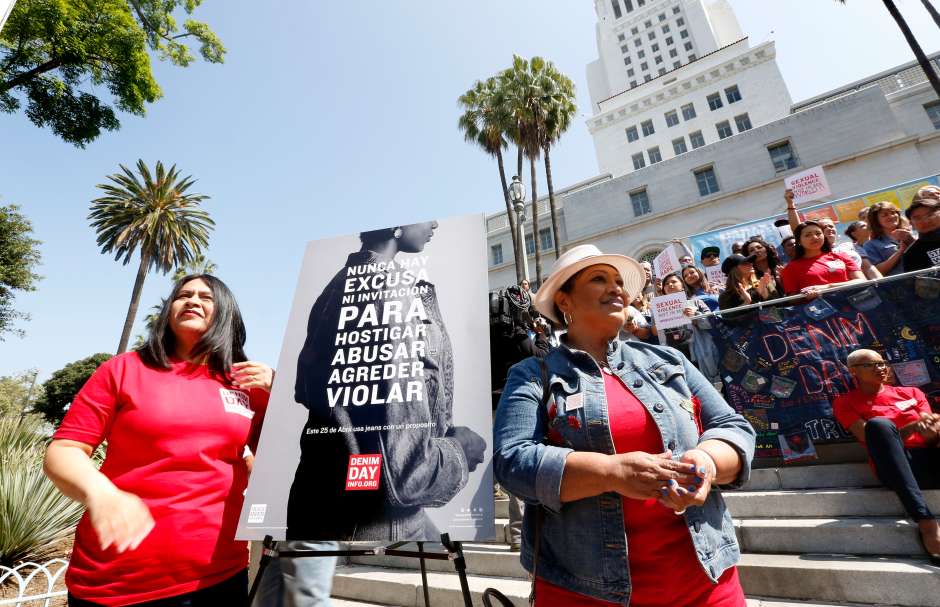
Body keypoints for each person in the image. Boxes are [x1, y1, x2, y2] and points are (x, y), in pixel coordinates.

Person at [494, 244, 755, 607]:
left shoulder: (669, 359)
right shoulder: (532, 374)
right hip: (583, 591)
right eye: (599, 279)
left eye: (619, 280)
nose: (616, 288)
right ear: (564, 301)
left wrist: (706, 463)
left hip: (708, 583)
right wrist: (611, 472)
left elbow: (732, 426)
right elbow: (512, 461)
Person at [44, 275, 272, 607]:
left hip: (217, 577)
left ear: (226, 313)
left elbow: (292, 457)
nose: (192, 300)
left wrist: (280, 388)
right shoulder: (121, 370)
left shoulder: (247, 384)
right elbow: (64, 450)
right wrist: (101, 493)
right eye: (183, 295)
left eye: (206, 297)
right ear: (168, 311)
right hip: (112, 583)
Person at [287, 222, 486, 541]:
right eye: (424, 214)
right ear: (395, 224)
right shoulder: (385, 289)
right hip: (372, 520)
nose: (434, 223)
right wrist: (460, 450)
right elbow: (406, 472)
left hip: (331, 503)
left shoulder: (341, 284)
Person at [833, 349, 940, 564]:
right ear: (853, 371)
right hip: (895, 468)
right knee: (879, 426)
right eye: (870, 365)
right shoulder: (845, 402)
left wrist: (930, 426)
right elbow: (869, 438)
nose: (880, 368)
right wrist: (911, 428)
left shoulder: (912, 393)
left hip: (929, 461)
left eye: (882, 363)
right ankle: (927, 524)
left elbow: (929, 436)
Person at [779, 220, 865, 298]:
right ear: (799, 241)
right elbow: (792, 299)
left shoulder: (842, 256)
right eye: (808, 235)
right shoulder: (791, 268)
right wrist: (805, 296)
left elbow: (861, 281)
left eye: (818, 233)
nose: (815, 237)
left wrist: (827, 287)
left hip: (855, 304)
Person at [717, 254, 779, 325]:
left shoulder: (763, 282)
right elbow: (728, 320)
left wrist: (765, 295)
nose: (751, 264)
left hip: (774, 329)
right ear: (735, 269)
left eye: (751, 262)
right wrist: (745, 304)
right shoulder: (725, 296)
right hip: (749, 334)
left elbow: (779, 307)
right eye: (745, 263)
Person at [864, 201, 914, 276]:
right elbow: (878, 271)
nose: (891, 216)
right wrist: (900, 251)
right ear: (876, 220)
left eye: (893, 213)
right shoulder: (871, 244)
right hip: (901, 283)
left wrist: (911, 240)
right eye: (885, 215)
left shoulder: (914, 232)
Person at [903, 195, 940, 271]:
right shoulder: (912, 254)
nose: (926, 221)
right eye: (917, 218)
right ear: (911, 223)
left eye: (930, 214)